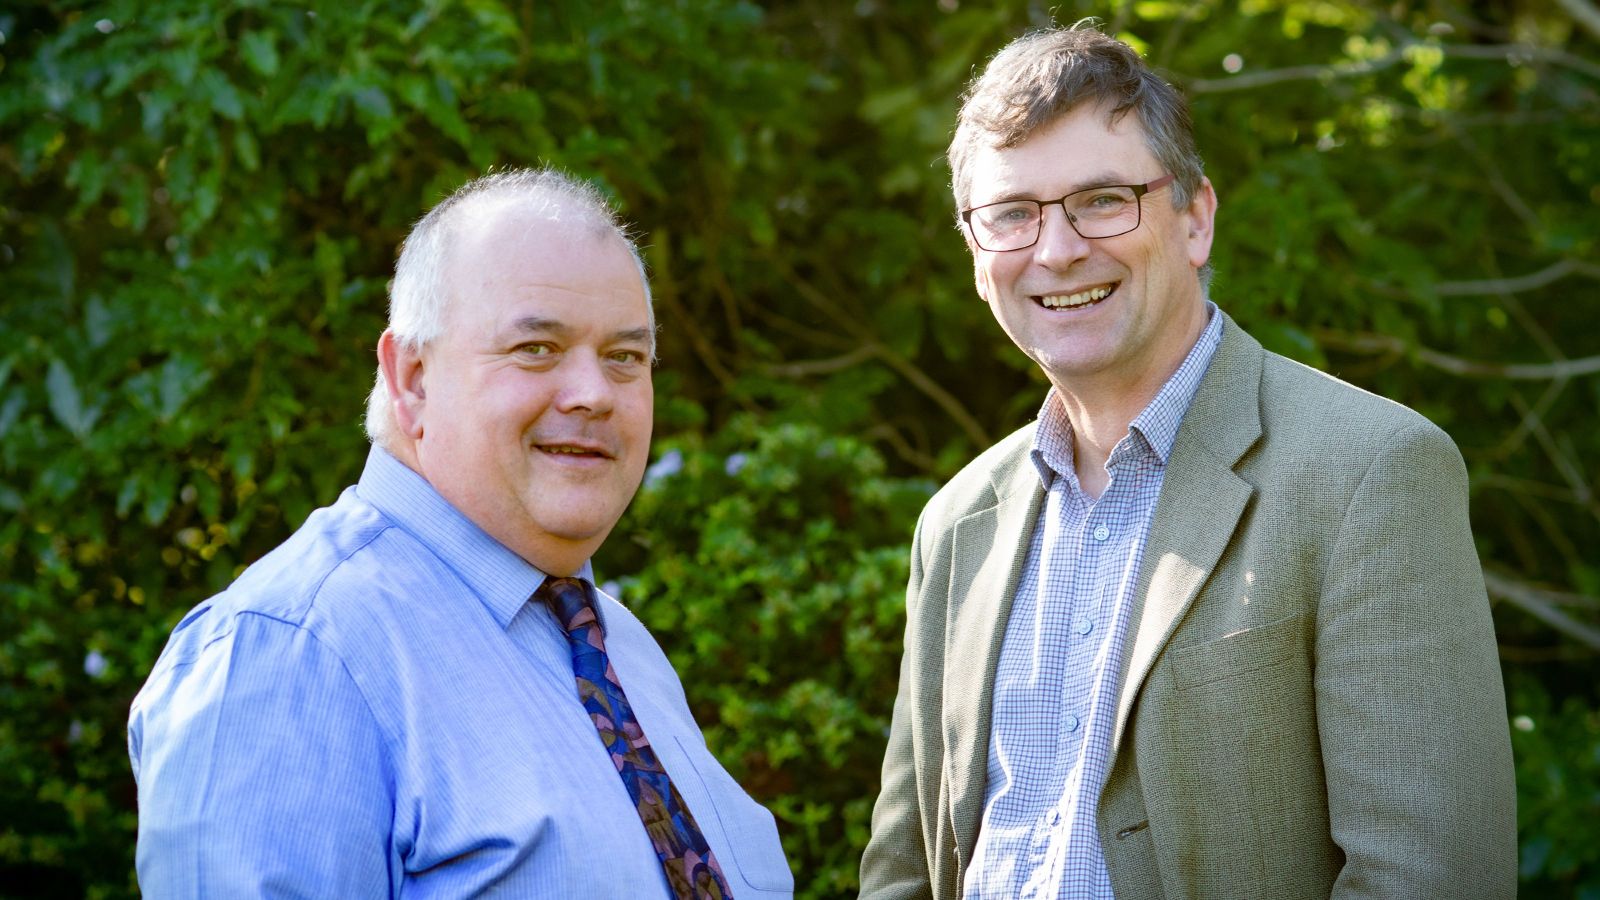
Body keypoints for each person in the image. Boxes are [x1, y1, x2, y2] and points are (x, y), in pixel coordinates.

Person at [859, 23, 1516, 900]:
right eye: (1013, 213)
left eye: (1101, 199)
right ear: (977, 253)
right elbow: (904, 872)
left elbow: (1430, 881)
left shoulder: (1372, 474)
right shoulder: (955, 523)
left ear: (1196, 218)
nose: (1056, 250)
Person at [129, 168, 793, 899]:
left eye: (625, 358)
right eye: (536, 348)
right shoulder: (293, 652)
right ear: (413, 377)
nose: (595, 394)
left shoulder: (622, 655)